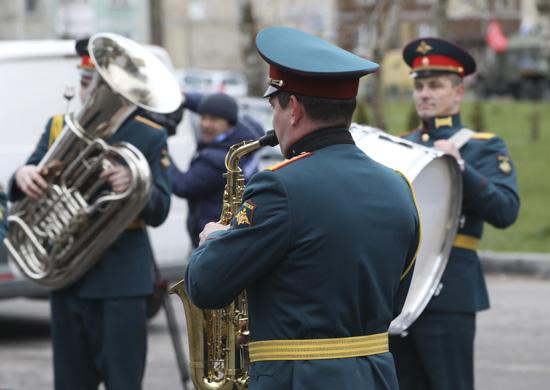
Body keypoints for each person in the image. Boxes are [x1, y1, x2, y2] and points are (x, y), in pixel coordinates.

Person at [184, 26, 421, 389]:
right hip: (375, 376)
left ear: (292, 109)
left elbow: (205, 286)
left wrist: (217, 240)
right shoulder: (399, 185)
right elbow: (393, 301)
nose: (273, 123)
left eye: (273, 107)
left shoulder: (278, 185)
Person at [7, 38, 172, 390]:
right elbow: (26, 177)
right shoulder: (58, 126)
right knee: (69, 383)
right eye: (85, 83)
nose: (89, 92)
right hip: (66, 276)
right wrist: (22, 177)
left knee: (123, 382)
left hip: (120, 280)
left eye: (96, 84)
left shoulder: (148, 135)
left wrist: (135, 183)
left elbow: (160, 210)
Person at [390, 37, 520, 390]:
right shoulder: (401, 145)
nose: (424, 94)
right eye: (419, 86)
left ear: (458, 93)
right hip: (399, 288)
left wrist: (461, 167)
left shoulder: (482, 146)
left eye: (435, 85)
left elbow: (506, 211)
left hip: (450, 290)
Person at [171, 91, 263, 247]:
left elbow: (182, 185)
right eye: (203, 117)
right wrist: (185, 98)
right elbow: (217, 106)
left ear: (229, 123)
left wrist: (160, 150)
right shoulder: (247, 134)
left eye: (213, 119)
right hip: (225, 239)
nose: (205, 124)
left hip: (212, 243)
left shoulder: (219, 161)